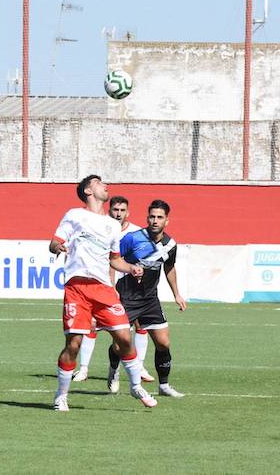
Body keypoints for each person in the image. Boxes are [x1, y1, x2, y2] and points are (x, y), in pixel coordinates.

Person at [49, 175, 157, 411]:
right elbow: (54, 243)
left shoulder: (113, 225)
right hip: (77, 287)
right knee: (73, 345)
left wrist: (131, 268)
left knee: (124, 337)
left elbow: (115, 260)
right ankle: (61, 396)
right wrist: (58, 246)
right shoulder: (75, 215)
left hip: (104, 290)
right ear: (88, 190)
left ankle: (135, 385)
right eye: (99, 182)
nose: (105, 185)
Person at [108, 199, 187, 398]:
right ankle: (113, 371)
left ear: (167, 220)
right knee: (120, 344)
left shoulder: (170, 245)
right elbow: (113, 259)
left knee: (163, 343)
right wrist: (111, 288)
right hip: (127, 297)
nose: (155, 220)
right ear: (147, 218)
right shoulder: (133, 238)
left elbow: (169, 268)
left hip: (150, 299)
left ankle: (164, 385)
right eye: (152, 216)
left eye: (159, 217)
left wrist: (176, 294)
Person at [72, 195, 154, 383]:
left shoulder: (136, 233)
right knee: (93, 325)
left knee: (140, 326)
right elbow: (108, 259)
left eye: (122, 210)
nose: (118, 214)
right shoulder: (102, 227)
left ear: (128, 212)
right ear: (109, 211)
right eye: (115, 210)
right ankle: (84, 369)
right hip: (107, 287)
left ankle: (139, 366)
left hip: (132, 289)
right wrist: (110, 284)